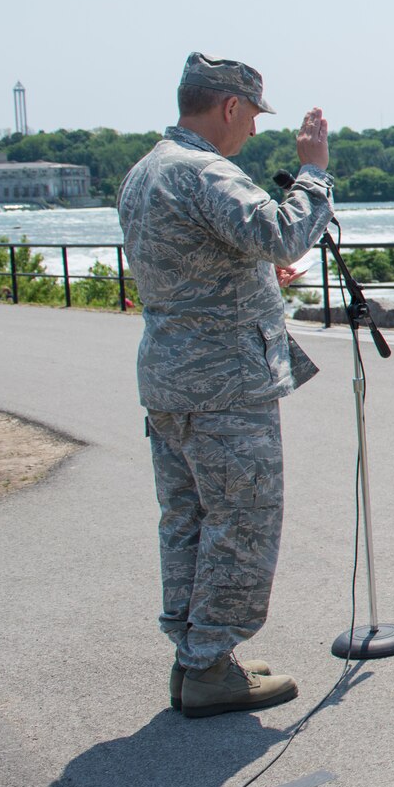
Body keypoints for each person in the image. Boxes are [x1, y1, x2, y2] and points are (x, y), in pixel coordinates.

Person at [116, 53, 332, 718]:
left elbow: (193, 265)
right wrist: (314, 170)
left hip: (171, 379)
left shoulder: (145, 171)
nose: (249, 135)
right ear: (229, 107)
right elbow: (283, 231)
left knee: (187, 519)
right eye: (250, 119)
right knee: (240, 522)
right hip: (225, 386)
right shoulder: (205, 170)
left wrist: (255, 281)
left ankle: (196, 655)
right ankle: (211, 662)